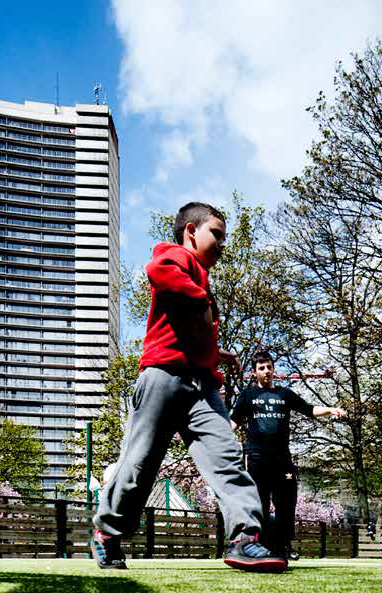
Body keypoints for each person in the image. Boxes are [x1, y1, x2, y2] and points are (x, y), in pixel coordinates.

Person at [91, 202, 285, 572]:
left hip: (202, 387)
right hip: (162, 378)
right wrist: (204, 300)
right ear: (191, 231)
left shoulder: (199, 274)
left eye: (225, 237)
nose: (223, 244)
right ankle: (108, 533)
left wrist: (219, 354)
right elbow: (157, 271)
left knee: (227, 457)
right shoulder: (174, 255)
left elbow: (190, 332)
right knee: (139, 464)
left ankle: (246, 538)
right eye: (217, 234)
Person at [231, 349, 348, 560]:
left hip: (282, 459)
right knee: (260, 503)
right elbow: (232, 422)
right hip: (257, 458)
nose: (266, 371)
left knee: (286, 502)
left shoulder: (284, 394)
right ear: (254, 372)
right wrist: (213, 439)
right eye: (261, 368)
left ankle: (283, 546)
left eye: (269, 367)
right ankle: (262, 546)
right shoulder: (247, 395)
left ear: (274, 369)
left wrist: (331, 410)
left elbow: (309, 409)